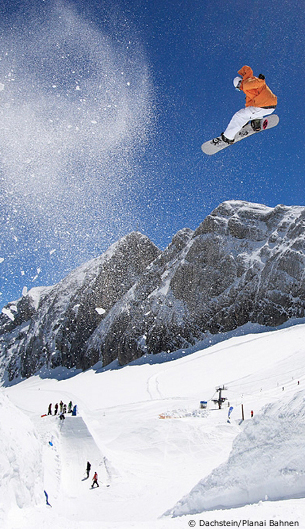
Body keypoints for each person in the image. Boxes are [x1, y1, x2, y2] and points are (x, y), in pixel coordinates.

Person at [221, 65, 277, 144]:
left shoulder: (246, 84)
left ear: (239, 83)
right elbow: (249, 106)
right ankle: (256, 122)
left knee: (238, 116)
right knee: (249, 111)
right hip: (270, 106)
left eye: (237, 88)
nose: (239, 89)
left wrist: (261, 80)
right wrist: (246, 120)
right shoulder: (249, 91)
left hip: (264, 105)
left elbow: (257, 83)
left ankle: (228, 137)